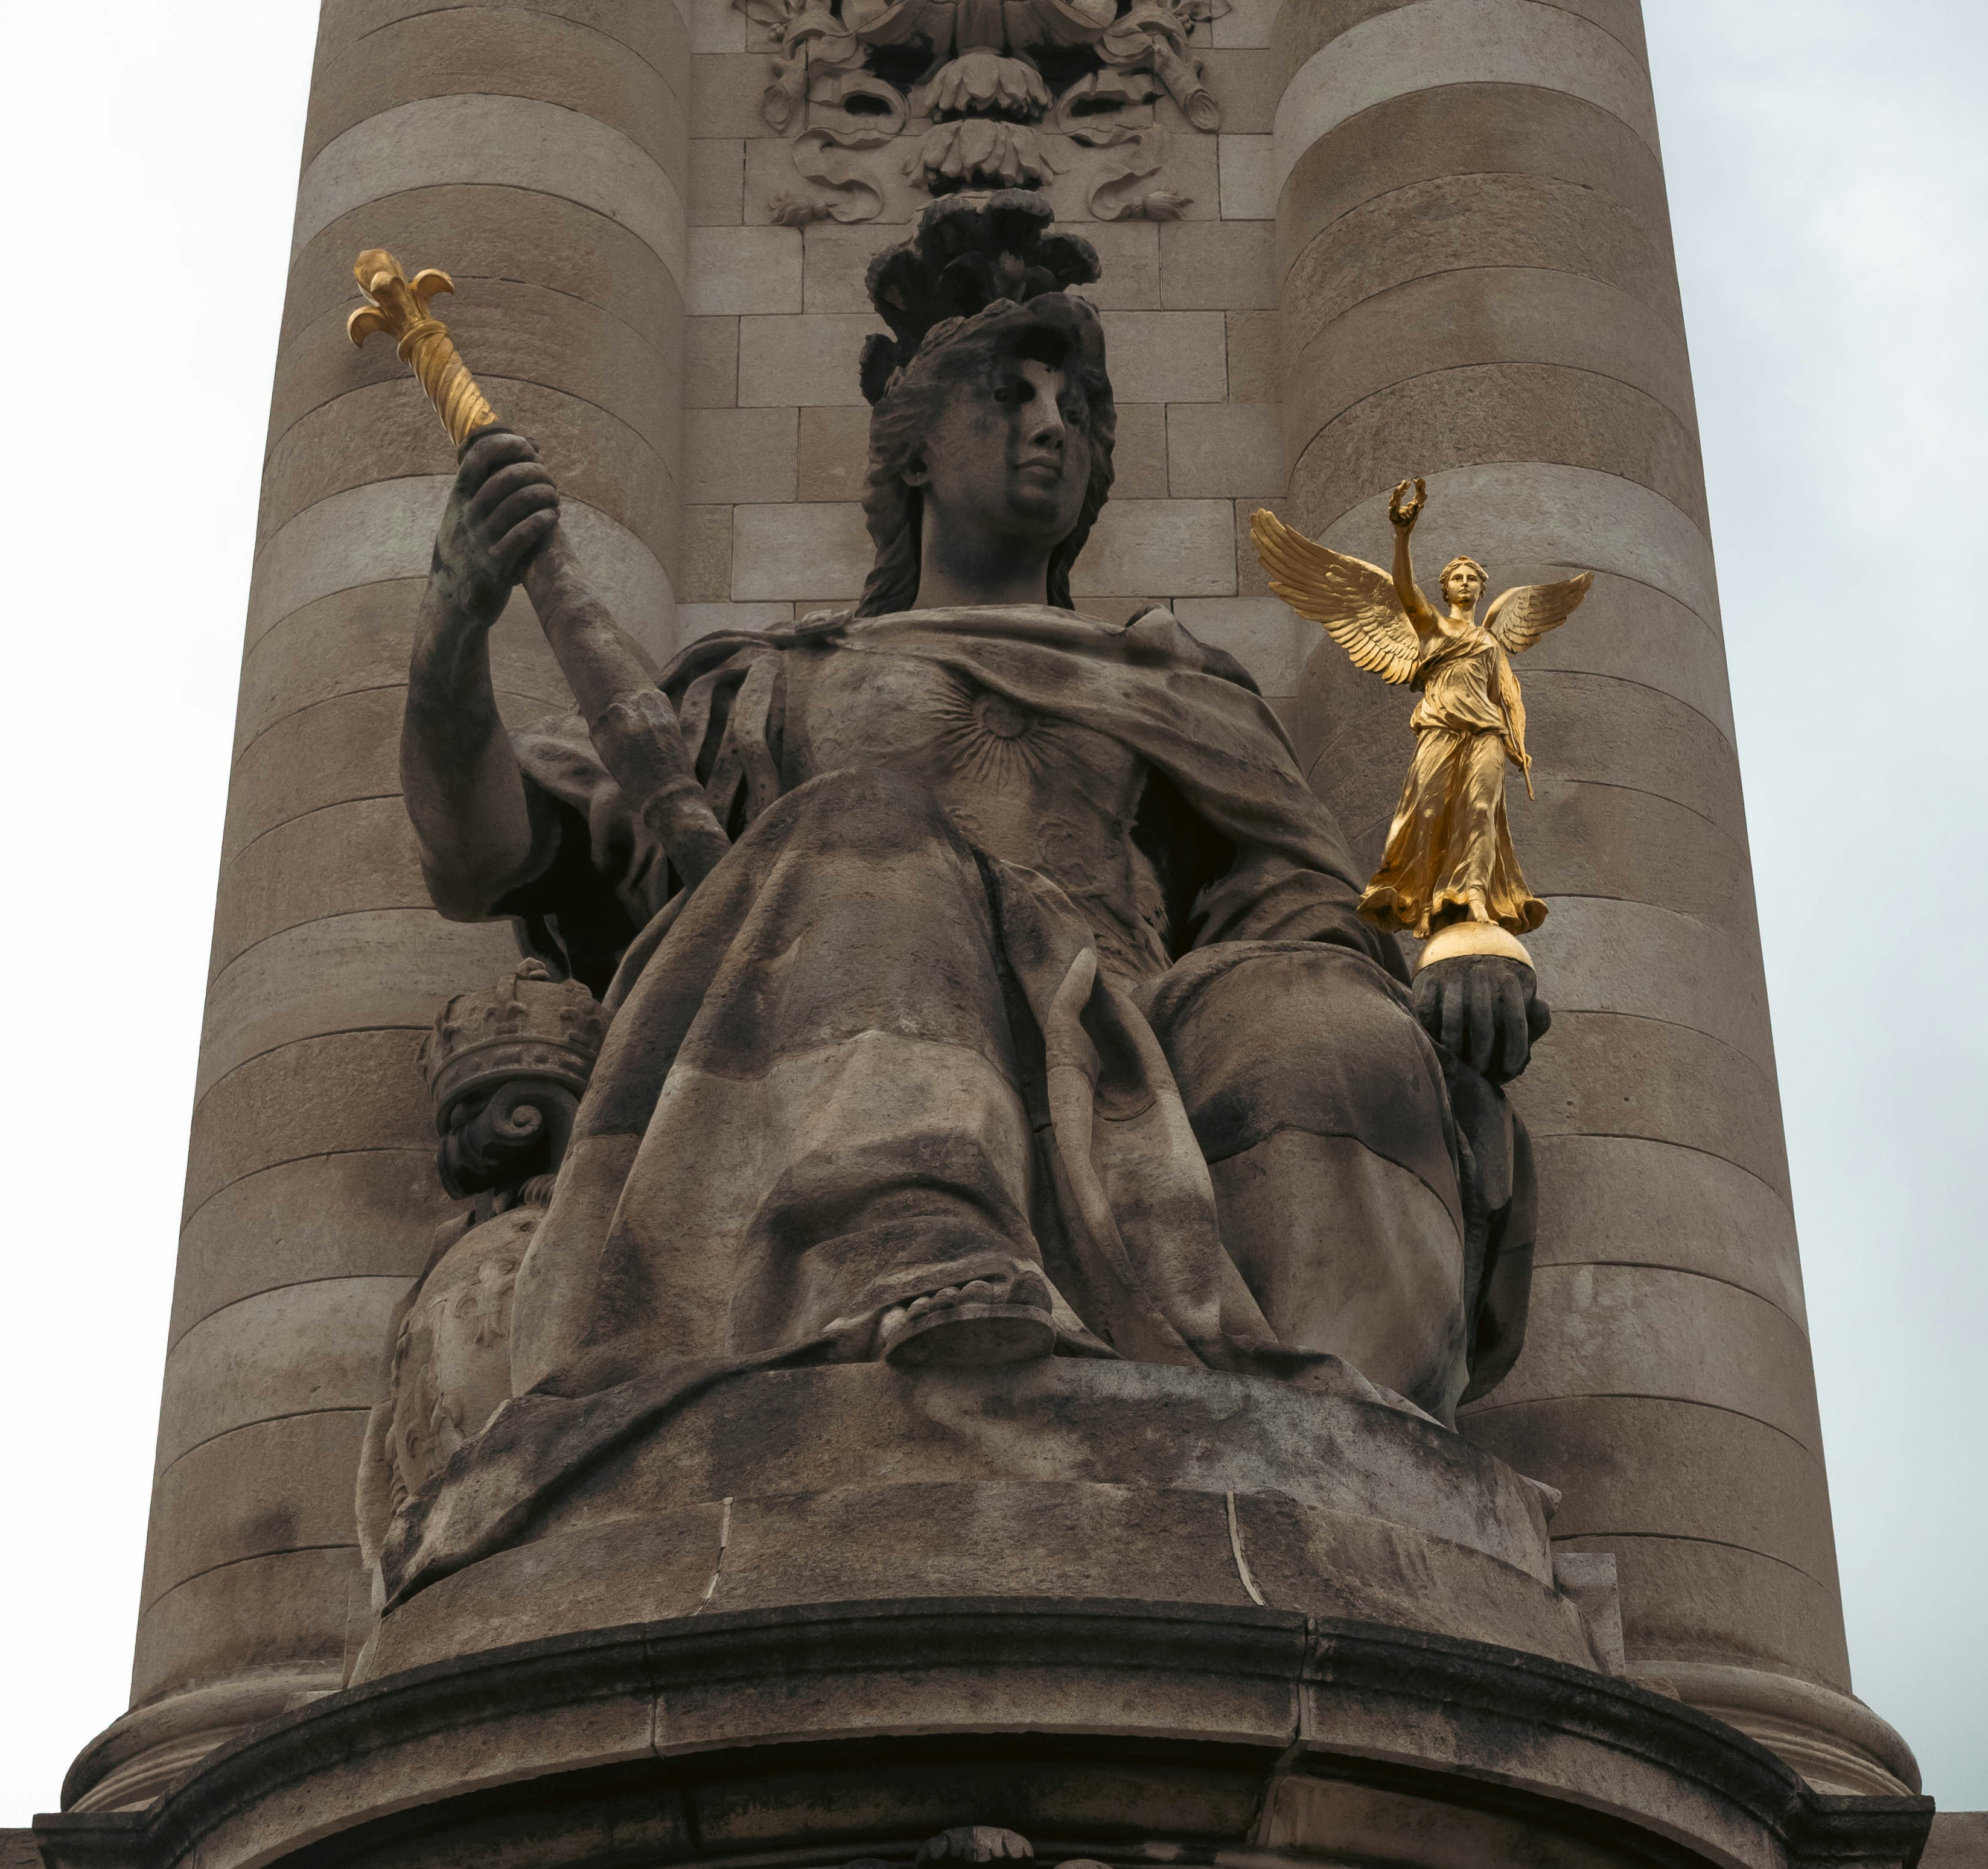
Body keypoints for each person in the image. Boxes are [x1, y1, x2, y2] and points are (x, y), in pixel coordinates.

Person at [387, 203, 1538, 1600]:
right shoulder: (766, 682)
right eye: (1012, 397)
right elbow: (485, 854)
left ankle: (1318, 1453)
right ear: (916, 447)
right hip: (839, 975)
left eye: (1082, 407)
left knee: (1323, 1025)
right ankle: (902, 1234)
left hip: (1126, 1023)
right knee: (871, 831)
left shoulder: (1176, 686)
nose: (1056, 428)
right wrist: (453, 636)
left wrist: (1437, 962)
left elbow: (1292, 905)